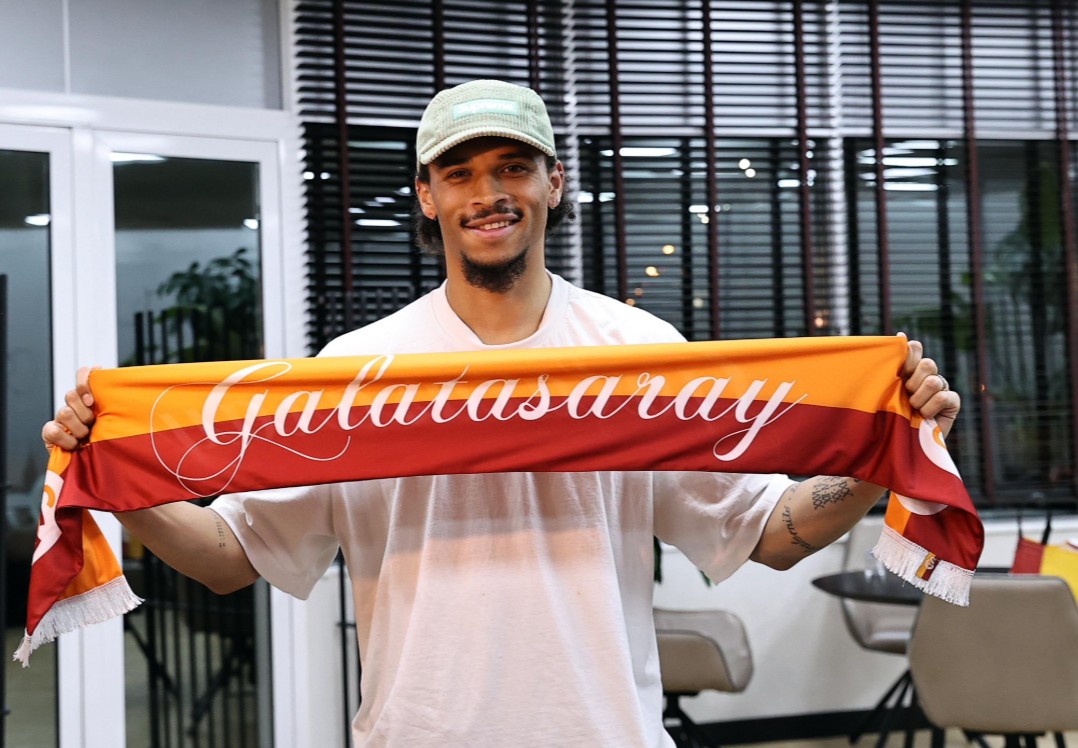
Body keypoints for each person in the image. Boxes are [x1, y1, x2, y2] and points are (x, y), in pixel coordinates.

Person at [42, 79, 960, 747]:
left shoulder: (640, 358)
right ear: (427, 195)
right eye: (460, 172)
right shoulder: (355, 374)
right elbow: (230, 557)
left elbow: (769, 533)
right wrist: (114, 477)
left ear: (553, 182)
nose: (488, 194)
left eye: (513, 166)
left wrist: (882, 454)